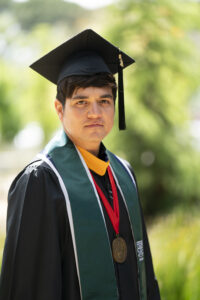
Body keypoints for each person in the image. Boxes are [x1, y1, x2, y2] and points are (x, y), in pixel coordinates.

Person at [0, 29, 160, 300]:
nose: (95, 113)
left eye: (104, 101)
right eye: (81, 102)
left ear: (114, 107)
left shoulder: (124, 175)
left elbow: (144, 274)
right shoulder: (40, 181)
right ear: (59, 109)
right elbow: (28, 285)